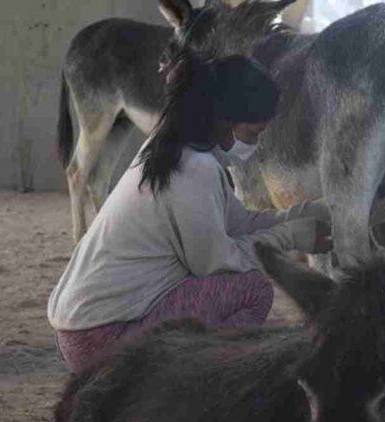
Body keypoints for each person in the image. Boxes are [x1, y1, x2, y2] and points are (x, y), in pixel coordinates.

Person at [47, 52, 331, 373]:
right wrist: (292, 237)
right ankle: (194, 383)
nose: (255, 144)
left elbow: (239, 224)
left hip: (80, 327)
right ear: (225, 121)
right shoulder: (196, 169)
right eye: (253, 133)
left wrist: (311, 213)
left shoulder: (173, 147)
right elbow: (218, 264)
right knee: (252, 290)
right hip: (101, 337)